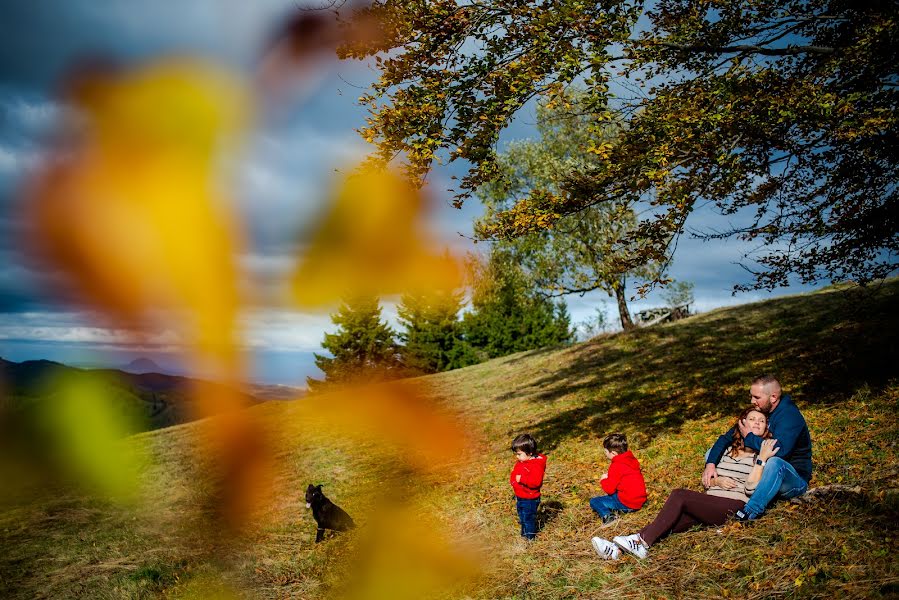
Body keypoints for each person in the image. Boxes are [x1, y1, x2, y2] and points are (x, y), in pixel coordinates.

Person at [591, 408, 774, 560]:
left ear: (766, 428)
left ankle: (641, 543)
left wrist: (762, 460)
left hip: (733, 506)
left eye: (762, 421)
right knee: (668, 524)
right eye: (752, 419)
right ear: (742, 424)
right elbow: (707, 482)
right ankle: (618, 550)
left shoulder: (763, 456)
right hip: (710, 504)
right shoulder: (727, 450)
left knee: (679, 495)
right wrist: (717, 480)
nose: (757, 422)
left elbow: (751, 489)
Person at [703, 374, 812, 520]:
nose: (752, 401)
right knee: (711, 453)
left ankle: (749, 512)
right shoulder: (763, 410)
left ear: (773, 397)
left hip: (791, 479)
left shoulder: (789, 416)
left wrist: (748, 436)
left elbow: (779, 452)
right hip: (762, 470)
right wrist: (710, 464)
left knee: (774, 463)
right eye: (751, 396)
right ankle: (727, 485)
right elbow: (725, 438)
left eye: (756, 397)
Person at [588, 433, 647, 526]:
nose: (605, 454)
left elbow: (609, 490)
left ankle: (608, 517)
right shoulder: (631, 460)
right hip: (640, 500)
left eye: (606, 452)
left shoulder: (616, 466)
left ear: (613, 453)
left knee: (594, 501)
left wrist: (603, 480)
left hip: (628, 503)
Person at [510, 433, 547, 540]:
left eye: (519, 454)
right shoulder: (521, 462)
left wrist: (521, 479)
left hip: (530, 498)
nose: (517, 457)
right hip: (520, 496)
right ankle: (523, 534)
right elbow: (514, 474)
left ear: (530, 453)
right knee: (522, 516)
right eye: (516, 454)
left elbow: (536, 482)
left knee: (528, 518)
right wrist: (514, 482)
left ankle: (530, 538)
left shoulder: (536, 465)